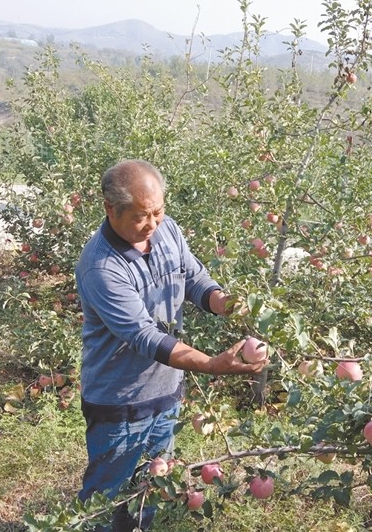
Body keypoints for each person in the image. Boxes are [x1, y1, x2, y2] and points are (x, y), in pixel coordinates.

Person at [74, 159, 266, 531]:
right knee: (105, 501)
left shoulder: (167, 232)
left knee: (150, 490)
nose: (152, 224)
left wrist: (229, 304)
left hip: (166, 394)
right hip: (120, 403)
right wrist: (211, 364)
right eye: (141, 216)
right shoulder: (101, 267)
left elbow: (194, 280)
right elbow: (144, 336)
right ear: (110, 209)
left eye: (158, 212)